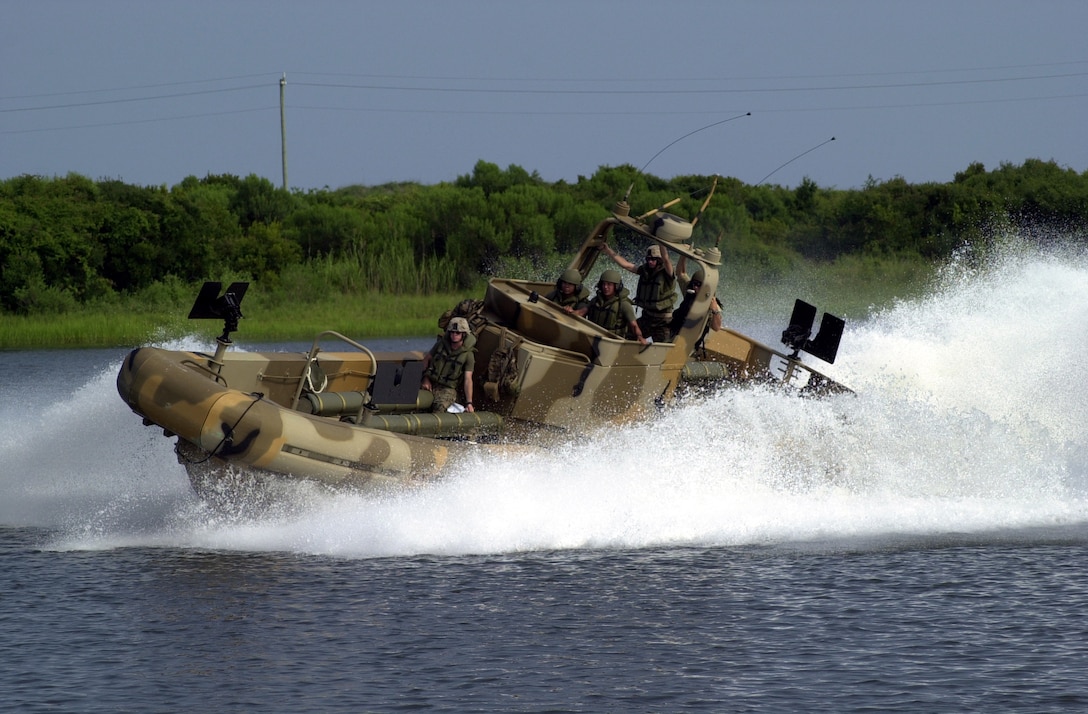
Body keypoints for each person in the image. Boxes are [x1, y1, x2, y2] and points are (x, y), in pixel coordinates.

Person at [600, 241, 677, 343]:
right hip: (647, 318)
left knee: (664, 350)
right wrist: (608, 250)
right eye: (648, 259)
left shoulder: (667, 273)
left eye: (653, 259)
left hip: (662, 322)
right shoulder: (645, 271)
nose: (650, 262)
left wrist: (661, 242)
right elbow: (626, 265)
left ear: (659, 260)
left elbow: (666, 259)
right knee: (627, 336)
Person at [420, 316, 476, 413]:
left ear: (464, 335)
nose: (454, 335)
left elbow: (468, 380)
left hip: (447, 389)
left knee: (439, 407)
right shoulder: (440, 345)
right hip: (430, 383)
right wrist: (426, 378)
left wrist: (469, 403)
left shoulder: (468, 355)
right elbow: (426, 360)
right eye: (452, 332)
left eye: (458, 333)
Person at [586, 269, 647, 345]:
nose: (605, 287)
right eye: (604, 284)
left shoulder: (624, 304)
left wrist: (639, 336)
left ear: (617, 286)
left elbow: (634, 325)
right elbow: (582, 311)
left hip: (613, 342)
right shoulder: (595, 301)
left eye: (609, 284)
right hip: (592, 339)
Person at [671, 257, 723, 342]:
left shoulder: (710, 303)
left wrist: (714, 310)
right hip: (675, 331)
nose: (695, 287)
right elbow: (681, 273)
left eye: (699, 285)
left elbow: (716, 327)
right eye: (694, 283)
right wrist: (683, 256)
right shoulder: (690, 291)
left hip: (689, 341)